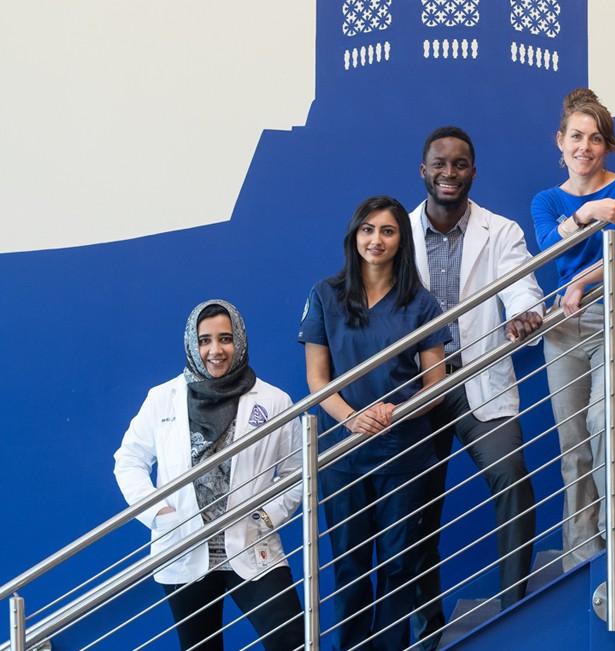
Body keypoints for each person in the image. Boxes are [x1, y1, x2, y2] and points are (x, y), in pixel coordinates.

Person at [410, 126, 544, 648]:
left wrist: (524, 315)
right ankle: (427, 629)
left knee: (513, 480)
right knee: (416, 510)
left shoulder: (500, 230)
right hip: (418, 388)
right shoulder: (396, 230)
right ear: (423, 171)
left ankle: (517, 610)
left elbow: (521, 285)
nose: (449, 173)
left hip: (478, 378)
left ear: (473, 171)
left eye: (460, 164)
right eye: (439, 164)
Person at [299, 195, 450, 650]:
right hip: (344, 456)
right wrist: (353, 419)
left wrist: (395, 412)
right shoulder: (325, 295)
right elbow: (317, 379)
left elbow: (436, 383)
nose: (376, 240)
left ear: (401, 240)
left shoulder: (420, 303)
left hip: (404, 452)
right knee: (349, 564)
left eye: (387, 231)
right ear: (354, 236)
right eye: (368, 229)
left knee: (400, 563)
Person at [114, 299, 304, 651]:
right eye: (204, 340)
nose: (215, 350)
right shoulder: (162, 399)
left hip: (250, 542)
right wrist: (157, 513)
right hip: (185, 547)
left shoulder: (275, 400)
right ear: (191, 343)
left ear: (241, 341)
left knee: (291, 639)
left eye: (225, 338)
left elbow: (295, 471)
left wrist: (267, 514)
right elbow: (128, 460)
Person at [530, 88, 615, 571]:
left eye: (596, 138)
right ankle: (581, 557)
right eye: (576, 137)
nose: (585, 147)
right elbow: (546, 249)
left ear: (607, 146)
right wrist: (586, 215)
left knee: (605, 422)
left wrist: (584, 279)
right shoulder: (547, 200)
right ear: (559, 142)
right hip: (562, 330)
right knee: (574, 446)